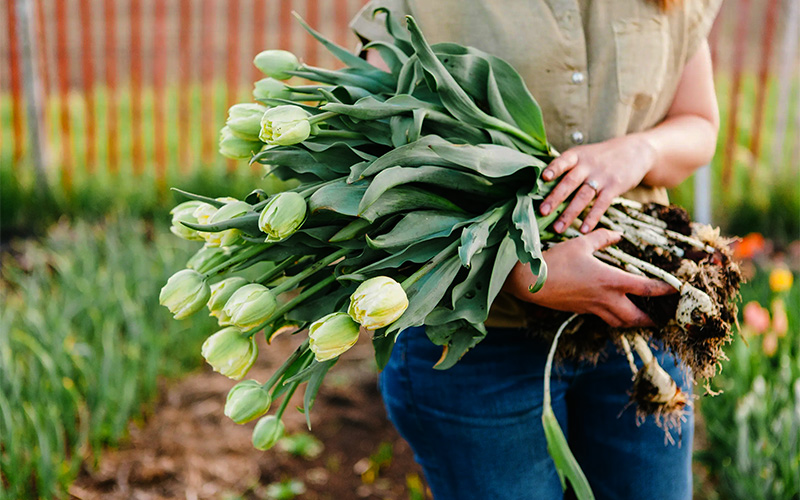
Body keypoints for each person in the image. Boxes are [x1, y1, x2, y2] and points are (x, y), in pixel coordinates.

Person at [351, 1, 722, 499]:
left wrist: (642, 149)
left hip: (640, 328)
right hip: (478, 346)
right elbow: (370, 166)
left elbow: (698, 122)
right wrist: (518, 272)